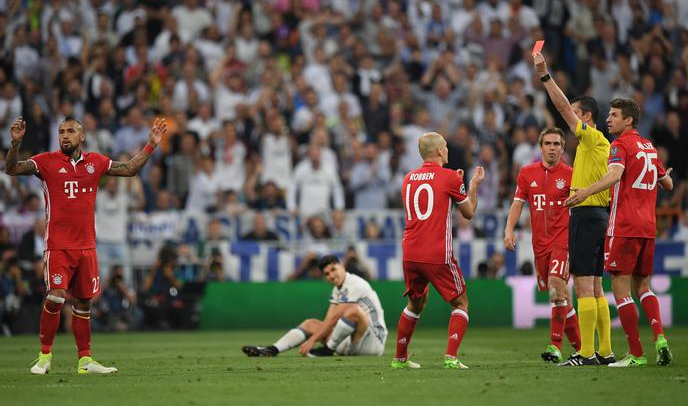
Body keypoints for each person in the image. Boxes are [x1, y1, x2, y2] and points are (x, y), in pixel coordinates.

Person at [5, 115, 167, 375]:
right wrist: (15, 143)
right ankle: (44, 357)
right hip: (58, 246)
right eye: (61, 131)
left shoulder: (96, 162)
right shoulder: (46, 162)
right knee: (56, 295)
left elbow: (129, 169)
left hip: (87, 247)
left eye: (70, 131)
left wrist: (151, 144)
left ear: (82, 136)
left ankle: (85, 361)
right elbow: (12, 169)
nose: (65, 136)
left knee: (83, 304)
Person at [565, 98, 674, 367]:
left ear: (628, 120)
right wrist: (662, 175)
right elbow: (668, 184)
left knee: (621, 289)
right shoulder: (649, 147)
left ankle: (636, 354)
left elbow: (614, 175)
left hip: (624, 225)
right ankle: (660, 338)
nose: (609, 119)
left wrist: (584, 193)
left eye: (614, 115)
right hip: (648, 228)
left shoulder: (620, 145)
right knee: (644, 287)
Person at [534, 52, 614, 366]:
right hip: (600, 215)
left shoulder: (591, 138)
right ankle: (604, 351)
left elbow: (563, 107)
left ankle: (583, 353)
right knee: (595, 286)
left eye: (578, 115)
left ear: (587, 117)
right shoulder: (598, 145)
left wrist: (544, 76)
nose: (572, 121)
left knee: (582, 285)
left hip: (586, 215)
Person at [391, 132, 484, 370]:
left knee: (415, 304)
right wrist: (471, 185)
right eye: (445, 147)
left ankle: (399, 359)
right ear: (441, 151)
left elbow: (431, 199)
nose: (448, 150)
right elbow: (469, 213)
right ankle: (451, 357)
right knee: (461, 303)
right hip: (437, 253)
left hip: (410, 252)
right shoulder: (451, 177)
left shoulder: (408, 178)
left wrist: (456, 182)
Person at [504, 127, 581, 363]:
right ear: (541, 147)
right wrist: (509, 230)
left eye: (557, 144)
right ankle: (582, 347)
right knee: (560, 296)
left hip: (563, 240)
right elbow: (517, 204)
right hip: (540, 245)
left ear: (562, 148)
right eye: (548, 143)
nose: (552, 148)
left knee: (557, 286)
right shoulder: (527, 173)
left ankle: (555, 346)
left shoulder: (571, 174)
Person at [242, 255, 387, 358]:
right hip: (354, 342)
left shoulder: (355, 283)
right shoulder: (337, 289)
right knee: (311, 324)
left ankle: (328, 349)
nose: (331, 275)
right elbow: (328, 320)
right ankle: (272, 349)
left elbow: (336, 316)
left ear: (342, 266)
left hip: (374, 342)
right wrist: (316, 335)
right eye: (327, 274)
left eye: (333, 269)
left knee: (353, 310)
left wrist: (312, 340)